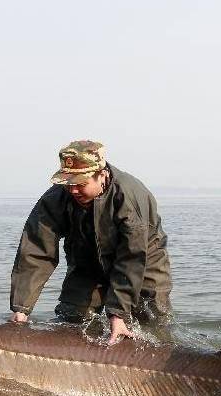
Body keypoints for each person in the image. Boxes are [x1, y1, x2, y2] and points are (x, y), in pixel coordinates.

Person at [9, 140, 173, 344]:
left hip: (144, 264)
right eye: (69, 183)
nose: (74, 190)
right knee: (71, 323)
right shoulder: (57, 197)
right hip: (87, 265)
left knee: (150, 329)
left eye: (81, 184)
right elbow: (36, 250)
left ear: (102, 174)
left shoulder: (129, 197)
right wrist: (21, 308)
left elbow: (131, 258)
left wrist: (117, 314)